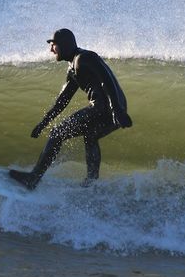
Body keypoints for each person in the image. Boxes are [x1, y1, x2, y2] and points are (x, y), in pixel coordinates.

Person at [9, 28, 132, 190]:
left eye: (54, 45)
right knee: (91, 136)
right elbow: (62, 100)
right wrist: (43, 123)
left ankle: (33, 178)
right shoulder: (73, 67)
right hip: (112, 108)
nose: (51, 50)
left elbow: (106, 80)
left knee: (57, 133)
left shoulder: (84, 58)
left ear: (64, 45)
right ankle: (91, 183)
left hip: (106, 107)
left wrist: (116, 109)